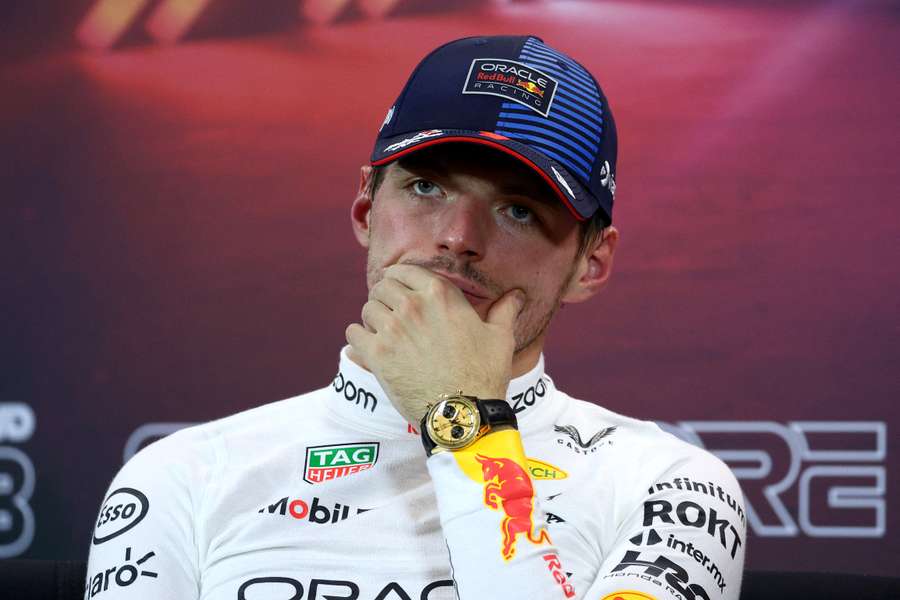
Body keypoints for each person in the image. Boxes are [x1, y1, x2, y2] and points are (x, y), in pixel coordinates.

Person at [86, 35, 746, 600]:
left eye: (519, 209)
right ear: (366, 213)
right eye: (426, 187)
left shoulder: (671, 486)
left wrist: (464, 422)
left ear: (590, 264)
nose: (458, 236)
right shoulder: (181, 476)